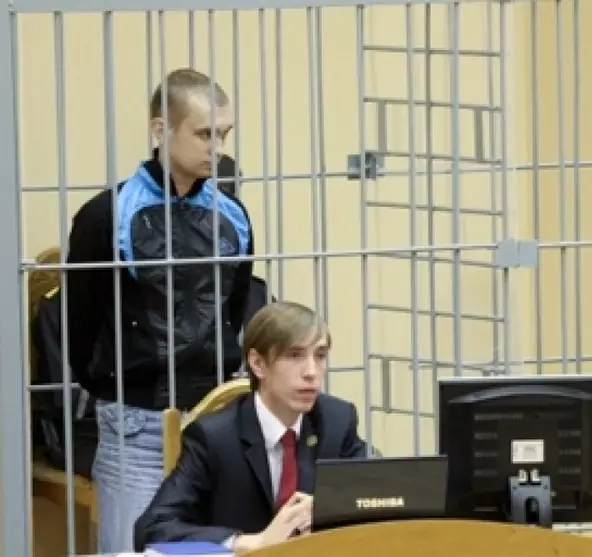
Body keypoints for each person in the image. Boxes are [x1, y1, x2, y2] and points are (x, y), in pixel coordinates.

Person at [64, 67, 254, 553]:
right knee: (133, 552)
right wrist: (116, 383)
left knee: (213, 550)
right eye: (205, 134)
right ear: (160, 130)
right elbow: (80, 320)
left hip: (214, 416)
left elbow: (234, 308)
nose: (218, 147)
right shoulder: (107, 215)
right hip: (136, 420)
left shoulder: (233, 216)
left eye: (225, 134)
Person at [132, 301, 370, 552]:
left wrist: (330, 507)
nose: (312, 372)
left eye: (320, 356)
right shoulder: (214, 437)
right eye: (294, 355)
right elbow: (151, 529)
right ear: (258, 364)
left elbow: (383, 492)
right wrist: (250, 543)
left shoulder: (336, 420)